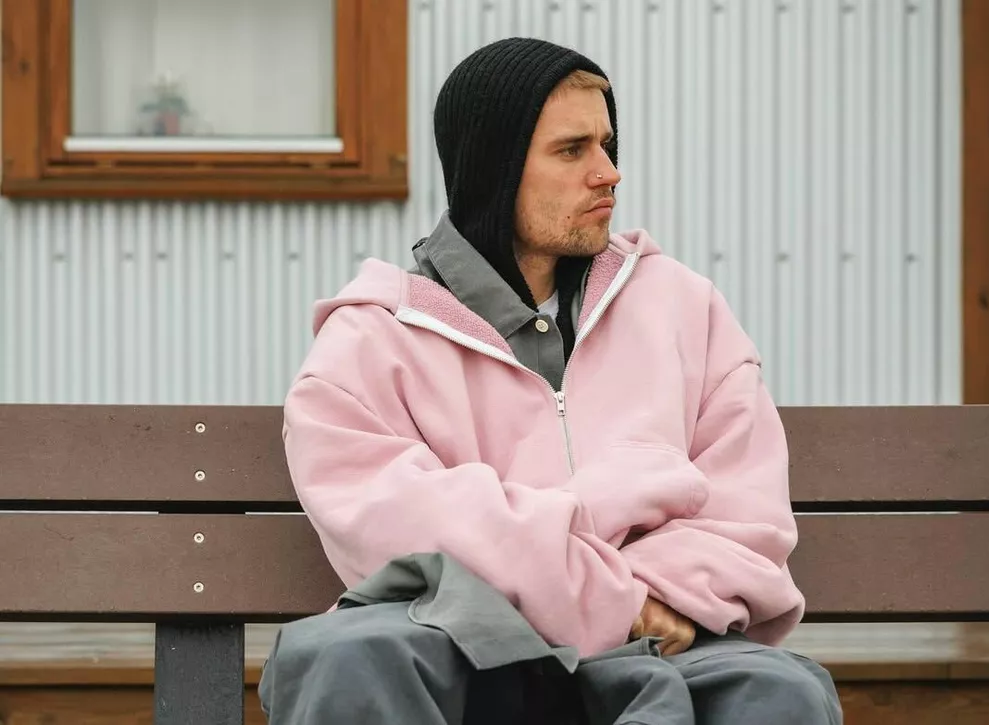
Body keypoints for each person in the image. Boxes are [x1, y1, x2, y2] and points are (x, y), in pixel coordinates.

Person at [260, 37, 843, 724]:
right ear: (495, 170)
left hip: (663, 642)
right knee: (349, 656)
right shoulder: (370, 339)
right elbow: (405, 533)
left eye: (607, 145)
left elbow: (746, 514)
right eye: (572, 151)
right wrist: (614, 594)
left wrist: (644, 600)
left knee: (780, 692)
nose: (608, 173)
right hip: (460, 643)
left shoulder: (685, 309)